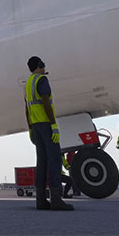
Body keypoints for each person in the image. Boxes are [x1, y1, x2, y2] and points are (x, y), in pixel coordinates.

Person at [24, 56, 73, 211]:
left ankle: (40, 200)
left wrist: (30, 128)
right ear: (39, 65)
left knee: (42, 162)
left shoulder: (28, 84)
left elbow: (27, 108)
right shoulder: (41, 80)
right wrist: (53, 124)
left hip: (36, 126)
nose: (45, 67)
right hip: (46, 124)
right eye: (43, 64)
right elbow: (46, 102)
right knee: (54, 160)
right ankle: (56, 200)